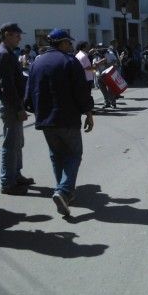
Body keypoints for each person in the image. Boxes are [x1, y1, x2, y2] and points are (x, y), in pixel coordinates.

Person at [25, 29, 94, 216]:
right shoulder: (69, 61)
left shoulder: (37, 62)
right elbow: (81, 90)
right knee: (74, 154)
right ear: (62, 43)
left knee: (57, 156)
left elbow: (29, 92)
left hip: (45, 119)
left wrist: (33, 109)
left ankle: (63, 192)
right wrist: (88, 112)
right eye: (68, 43)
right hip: (67, 118)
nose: (70, 46)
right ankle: (63, 191)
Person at [0, 22, 33, 196]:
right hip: (10, 106)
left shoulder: (8, 53)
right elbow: (7, 86)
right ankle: (7, 182)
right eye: (17, 35)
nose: (20, 38)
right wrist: (18, 108)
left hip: (13, 104)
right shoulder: (3, 54)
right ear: (7, 34)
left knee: (17, 143)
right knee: (10, 144)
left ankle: (16, 174)